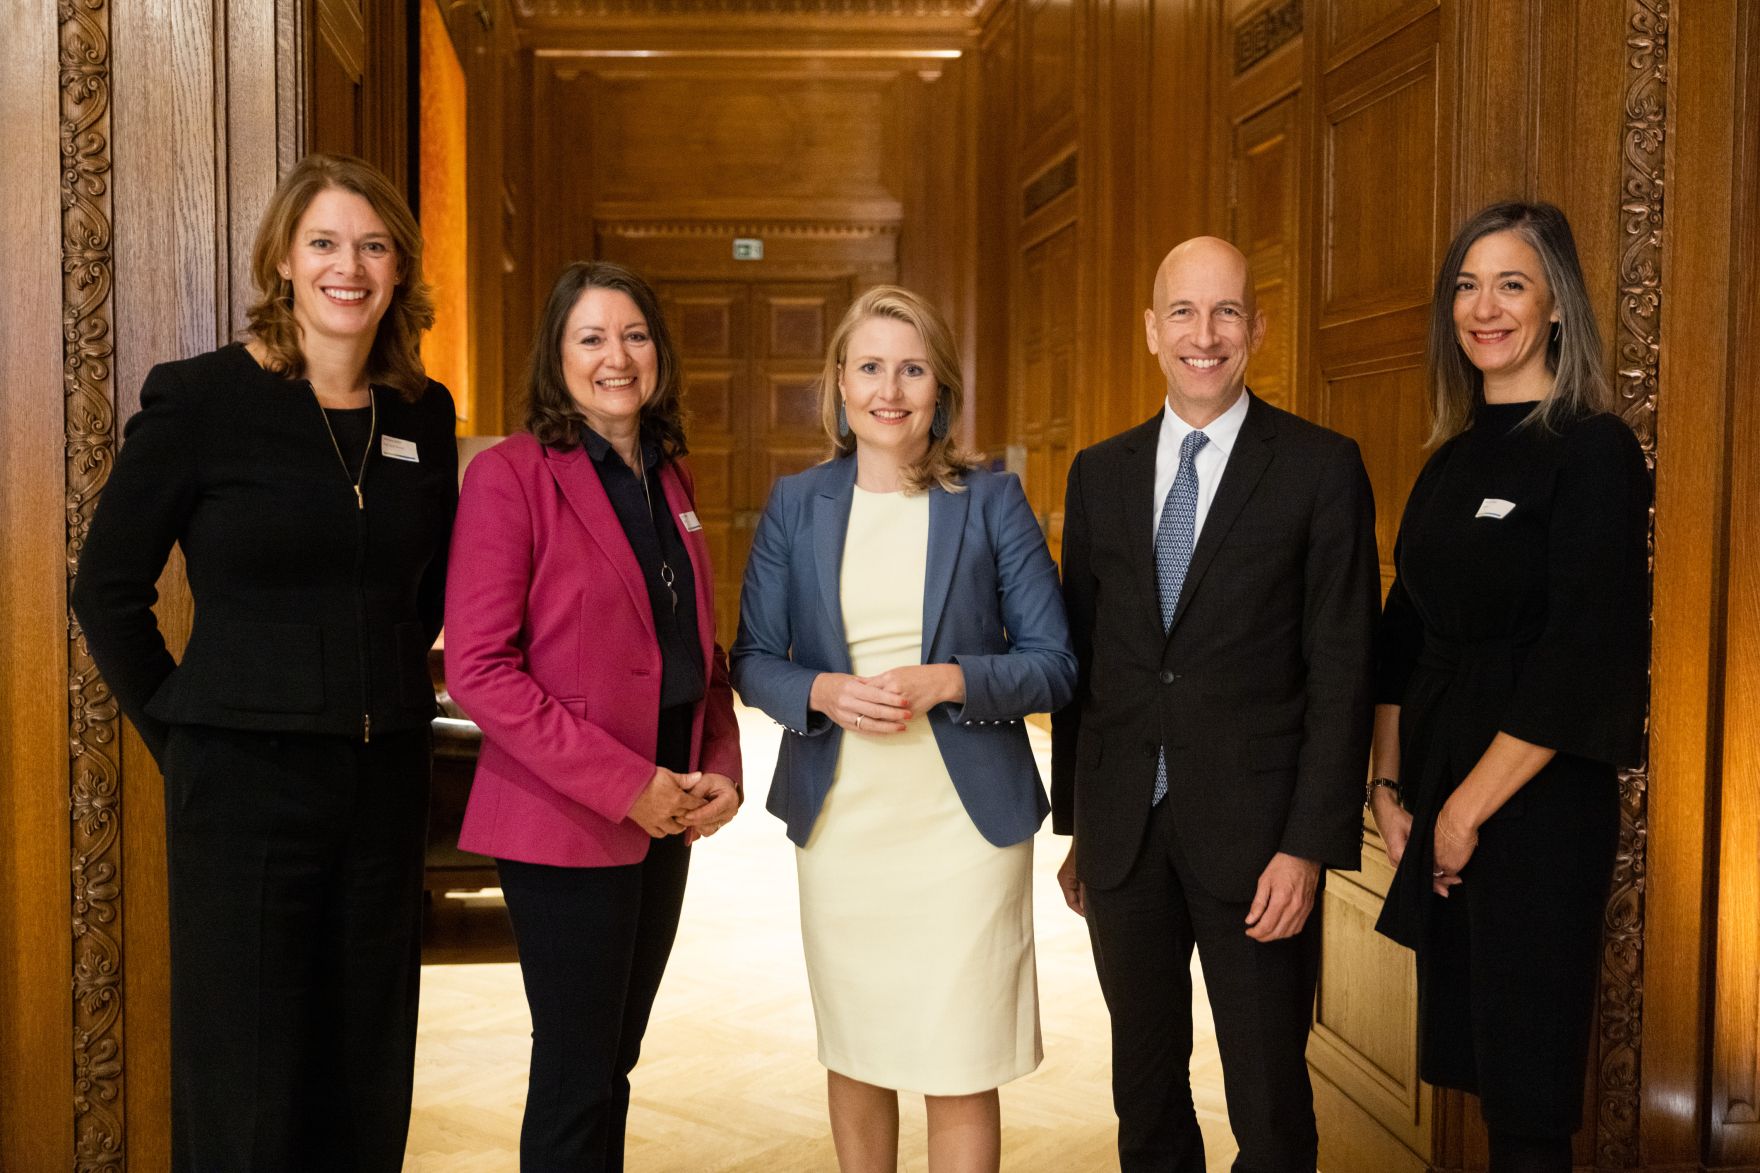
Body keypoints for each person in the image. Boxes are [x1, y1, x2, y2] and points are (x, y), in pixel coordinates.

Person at [70, 153, 458, 1170]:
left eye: (373, 247)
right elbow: (105, 589)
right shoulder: (201, 400)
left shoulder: (423, 413)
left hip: (382, 777)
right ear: (283, 261)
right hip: (241, 784)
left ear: (399, 269)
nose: (349, 267)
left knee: (365, 1062)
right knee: (243, 1071)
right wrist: (186, 734)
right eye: (325, 243)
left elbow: (429, 594)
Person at [1050, 236, 1379, 1172]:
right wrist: (1082, 823)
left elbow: (1344, 669)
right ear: (1152, 330)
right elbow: (1089, 662)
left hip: (1261, 840)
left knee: (1270, 1106)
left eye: (1227, 311)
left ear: (1257, 329)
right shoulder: (1099, 474)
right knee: (1144, 1099)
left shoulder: (1320, 469)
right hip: (1125, 836)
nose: (1206, 333)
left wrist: (1309, 844)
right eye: (1185, 313)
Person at [730, 285, 1075, 1173]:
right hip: (844, 821)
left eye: (913, 368)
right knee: (859, 1044)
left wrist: (952, 678)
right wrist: (823, 692)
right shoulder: (796, 503)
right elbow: (754, 658)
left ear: (940, 388)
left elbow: (1055, 662)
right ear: (839, 383)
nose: (892, 388)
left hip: (964, 827)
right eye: (872, 366)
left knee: (960, 1056)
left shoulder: (993, 501)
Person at [1367, 202, 1649, 1172]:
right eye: (1465, 285)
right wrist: (1389, 789)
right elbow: (1402, 630)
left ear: (1556, 305)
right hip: (1445, 785)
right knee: (1475, 1065)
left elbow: (1580, 655)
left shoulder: (1591, 450)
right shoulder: (1450, 457)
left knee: (1527, 1093)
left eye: (1510, 284)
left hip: (1533, 805)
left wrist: (1461, 814)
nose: (1482, 308)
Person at [443, 260, 742, 1172]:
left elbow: (696, 647)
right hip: (566, 818)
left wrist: (720, 760)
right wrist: (628, 787)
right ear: (557, 357)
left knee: (613, 1059)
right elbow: (480, 669)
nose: (618, 356)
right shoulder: (511, 475)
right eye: (592, 338)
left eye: (635, 335)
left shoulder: (669, 474)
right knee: (577, 1070)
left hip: (668, 809)